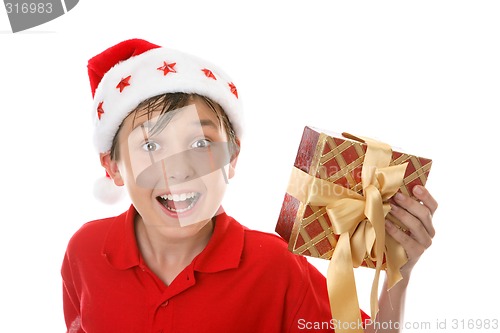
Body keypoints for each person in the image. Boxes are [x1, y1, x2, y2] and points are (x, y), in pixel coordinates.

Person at [61, 38, 438, 333]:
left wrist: (398, 277)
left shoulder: (276, 267)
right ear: (112, 167)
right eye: (150, 145)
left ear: (232, 158)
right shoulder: (84, 252)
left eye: (200, 144)